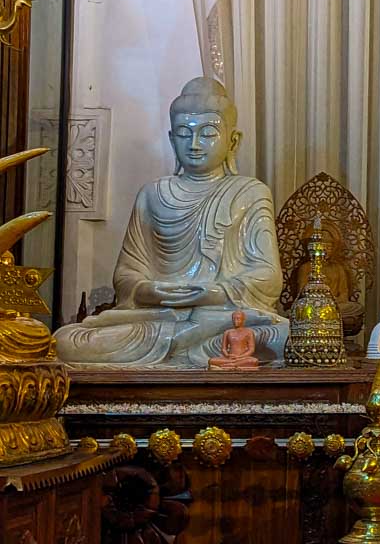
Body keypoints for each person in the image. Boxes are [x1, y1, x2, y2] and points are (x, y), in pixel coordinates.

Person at [56, 77, 289, 367]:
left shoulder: (249, 192)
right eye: (183, 133)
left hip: (219, 317)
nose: (194, 144)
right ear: (171, 138)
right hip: (157, 317)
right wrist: (148, 290)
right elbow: (127, 273)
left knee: (281, 337)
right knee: (66, 341)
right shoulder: (153, 194)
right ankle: (190, 347)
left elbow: (269, 277)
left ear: (233, 141)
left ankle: (193, 346)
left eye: (207, 133)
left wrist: (212, 293)